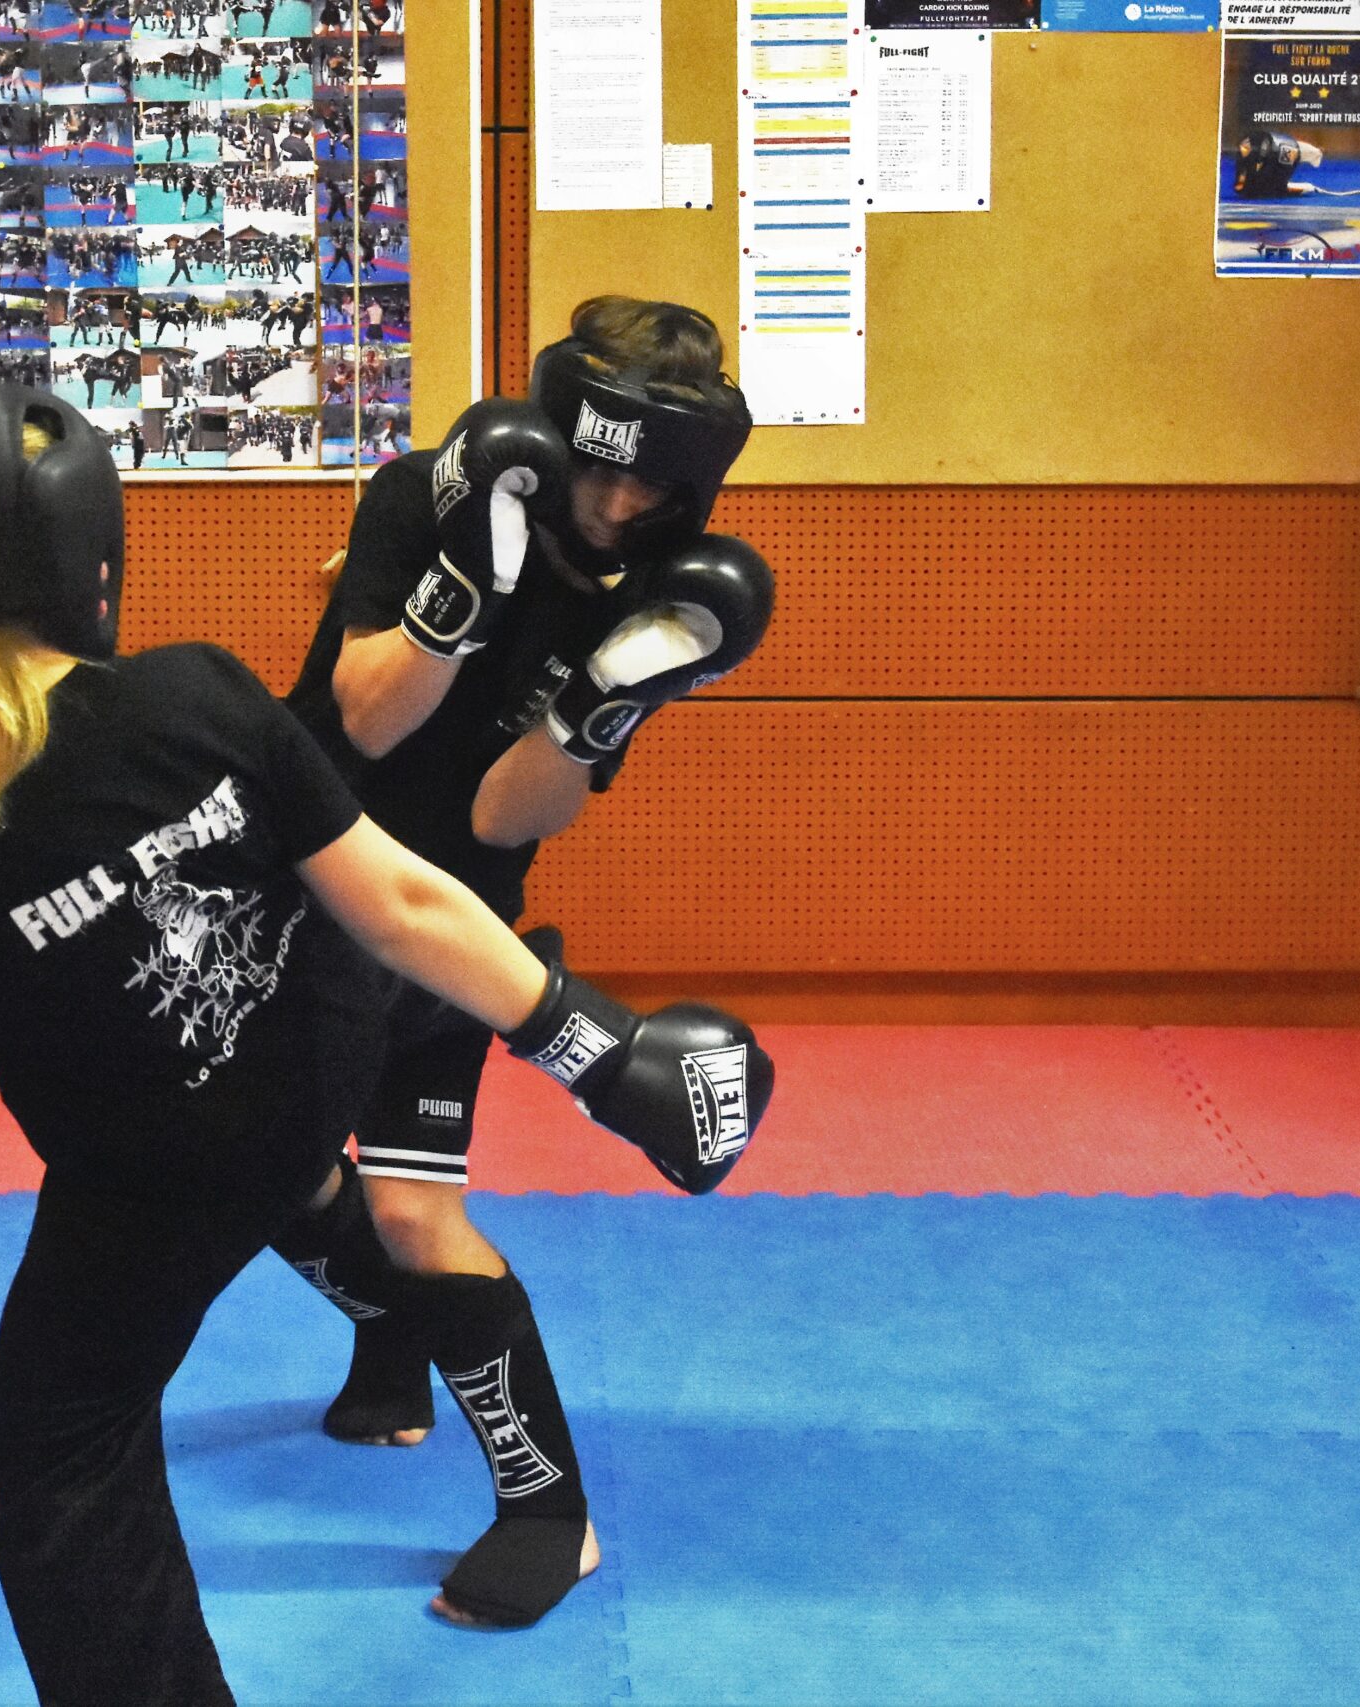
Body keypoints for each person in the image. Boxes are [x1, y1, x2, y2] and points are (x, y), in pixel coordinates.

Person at [0, 380, 772, 1702]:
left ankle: (539, 1506)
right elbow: (392, 886)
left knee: (61, 1440)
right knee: (324, 1183)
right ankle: (402, 1346)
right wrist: (595, 1050)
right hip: (326, 1025)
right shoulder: (201, 691)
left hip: (158, 1173)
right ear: (93, 561)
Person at [268, 296, 774, 1625]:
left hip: (452, 919)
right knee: (262, 1173)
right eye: (594, 465)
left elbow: (506, 812)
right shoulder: (415, 502)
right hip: (301, 868)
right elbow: (360, 728)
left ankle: (550, 1510)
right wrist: (467, 594)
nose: (612, 504)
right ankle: (392, 1331)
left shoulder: (669, 599)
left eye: (650, 486)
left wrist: (603, 697)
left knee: (418, 1208)